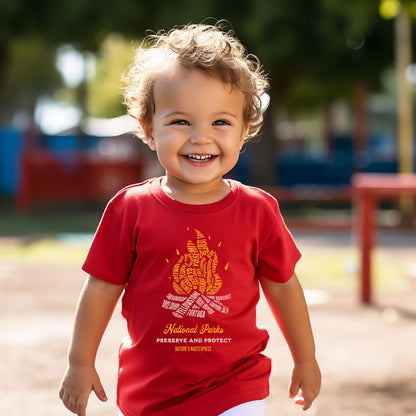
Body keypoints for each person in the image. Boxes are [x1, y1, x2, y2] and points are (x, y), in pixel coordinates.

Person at [59, 22, 321, 416]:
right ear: (148, 129)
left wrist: (306, 358)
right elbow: (100, 289)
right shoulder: (130, 208)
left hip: (236, 388)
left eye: (221, 122)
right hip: (150, 395)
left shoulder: (258, 210)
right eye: (181, 121)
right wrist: (80, 362)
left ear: (244, 130)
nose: (201, 137)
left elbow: (283, 287)